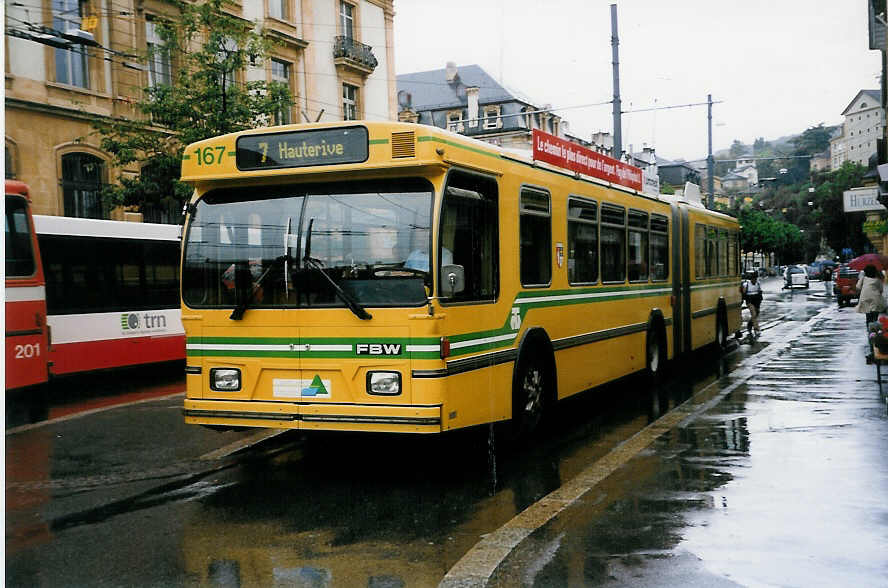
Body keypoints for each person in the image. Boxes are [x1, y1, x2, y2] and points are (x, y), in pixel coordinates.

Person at [854, 264, 887, 362]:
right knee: (875, 319)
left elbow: (857, 287)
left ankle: (870, 333)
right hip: (875, 300)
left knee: (868, 319)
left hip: (865, 300)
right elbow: (881, 290)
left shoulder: (863, 279)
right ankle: (875, 332)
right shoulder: (877, 280)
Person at [742, 271, 763, 339]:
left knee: (756, 314)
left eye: (755, 278)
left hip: (756, 301)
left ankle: (749, 325)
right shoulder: (746, 284)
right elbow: (744, 293)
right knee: (753, 314)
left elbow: (760, 291)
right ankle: (756, 329)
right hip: (750, 301)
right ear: (751, 279)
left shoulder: (758, 283)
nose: (755, 280)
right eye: (753, 278)